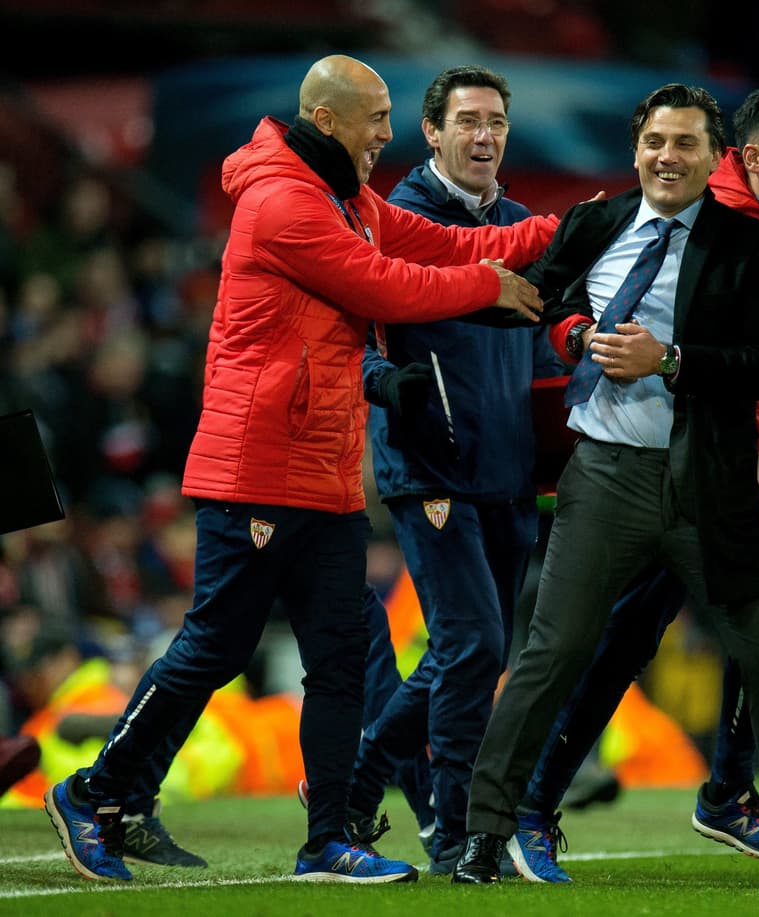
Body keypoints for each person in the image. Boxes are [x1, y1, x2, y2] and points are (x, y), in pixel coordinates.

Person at [42, 53, 555, 884]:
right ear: (327, 120)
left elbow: (449, 239)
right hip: (256, 467)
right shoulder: (283, 203)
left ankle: (326, 838)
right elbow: (388, 286)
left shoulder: (347, 201)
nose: (387, 134)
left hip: (323, 468)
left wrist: (558, 232)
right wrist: (487, 289)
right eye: (376, 117)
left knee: (342, 654)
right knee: (216, 645)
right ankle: (95, 789)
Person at [451, 82, 759, 886]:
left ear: (716, 161)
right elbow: (549, 299)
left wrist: (666, 360)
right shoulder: (597, 220)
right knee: (554, 652)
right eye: (655, 142)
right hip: (607, 476)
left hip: (712, 482)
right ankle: (486, 834)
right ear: (637, 147)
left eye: (685, 144)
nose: (667, 156)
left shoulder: (751, 247)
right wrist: (573, 334)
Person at [342, 64, 561, 876]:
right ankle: (447, 819)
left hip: (507, 468)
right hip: (429, 464)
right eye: (467, 120)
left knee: (476, 649)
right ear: (430, 132)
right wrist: (383, 384)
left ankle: (386, 793)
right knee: (470, 642)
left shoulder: (521, 230)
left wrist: (553, 445)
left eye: (497, 121)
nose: (484, 135)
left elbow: (539, 348)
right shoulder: (393, 219)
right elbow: (348, 337)